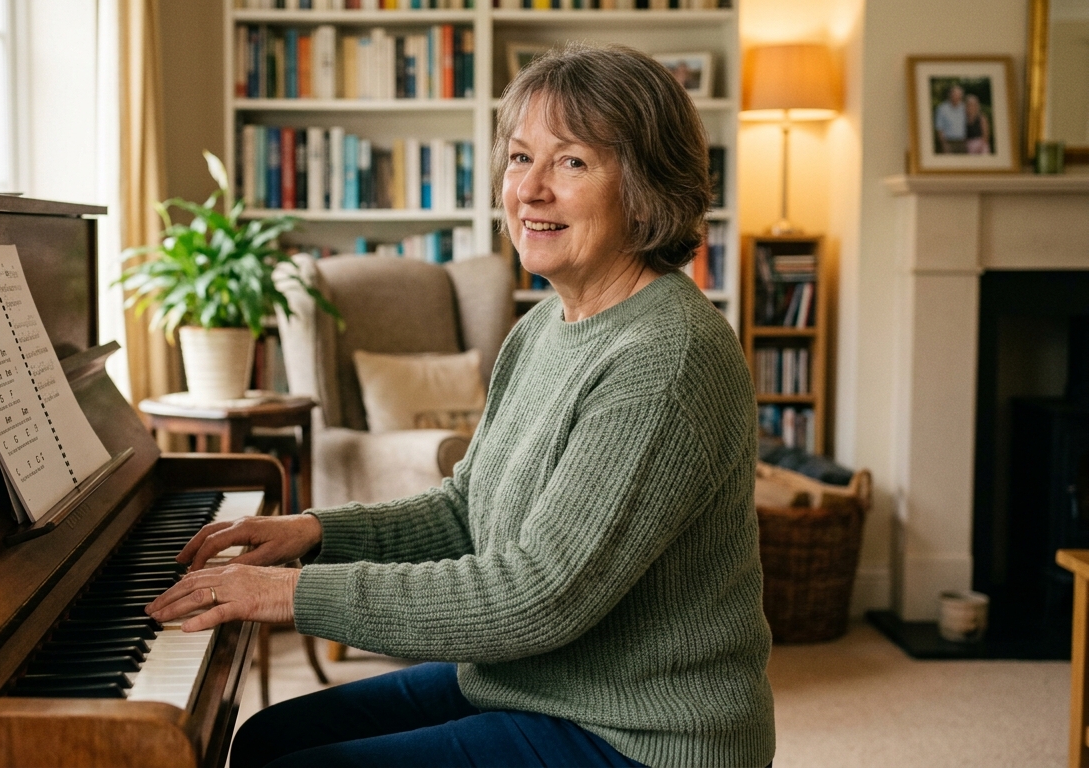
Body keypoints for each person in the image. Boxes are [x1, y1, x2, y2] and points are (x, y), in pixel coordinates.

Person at [148, 42, 776, 768]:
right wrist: (315, 531)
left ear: (646, 189)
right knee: (265, 739)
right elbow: (464, 510)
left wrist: (292, 594)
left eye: (570, 162)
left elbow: (536, 597)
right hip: (544, 686)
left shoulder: (667, 356)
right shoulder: (544, 325)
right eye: (518, 157)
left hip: (639, 735)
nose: (530, 190)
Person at [935, 83, 968, 153]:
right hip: (948, 142)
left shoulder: (965, 107)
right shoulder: (942, 108)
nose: (957, 97)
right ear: (950, 95)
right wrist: (944, 144)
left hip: (963, 142)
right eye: (954, 94)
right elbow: (939, 128)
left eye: (959, 95)